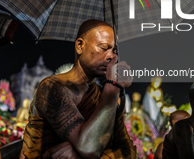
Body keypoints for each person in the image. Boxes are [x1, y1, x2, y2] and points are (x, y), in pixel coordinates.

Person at [21, 19, 136, 159]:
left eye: (114, 51)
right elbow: (89, 148)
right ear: (80, 46)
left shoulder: (102, 94)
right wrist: (112, 88)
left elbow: (128, 151)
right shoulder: (53, 88)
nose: (111, 56)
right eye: (104, 48)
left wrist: (78, 156)